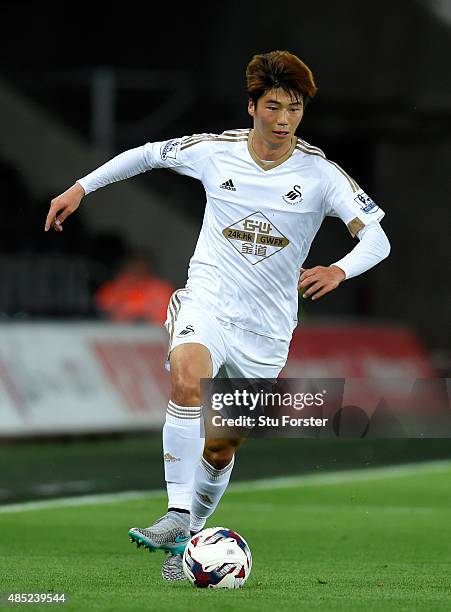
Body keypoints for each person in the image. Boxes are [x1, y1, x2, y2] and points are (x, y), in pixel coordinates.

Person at [45, 50, 390, 581]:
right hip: (209, 299)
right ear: (251, 106)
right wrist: (80, 187)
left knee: (221, 448)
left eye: (294, 109)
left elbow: (378, 240)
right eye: (273, 106)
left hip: (268, 329)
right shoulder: (214, 151)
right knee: (189, 379)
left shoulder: (321, 174)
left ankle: (191, 535)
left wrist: (341, 270)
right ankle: (178, 515)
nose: (283, 120)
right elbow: (146, 154)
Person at [95, 250, 174, 324]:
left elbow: (170, 319)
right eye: (133, 266)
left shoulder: (162, 290)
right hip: (116, 336)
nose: (137, 270)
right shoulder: (112, 288)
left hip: (155, 336)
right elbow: (102, 315)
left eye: (141, 266)